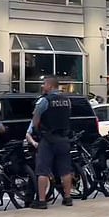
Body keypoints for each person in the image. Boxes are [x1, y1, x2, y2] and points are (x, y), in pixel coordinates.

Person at [31, 75, 73, 209]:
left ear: (50, 85)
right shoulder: (67, 100)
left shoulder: (44, 101)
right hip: (64, 138)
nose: (43, 86)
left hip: (48, 138)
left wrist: (38, 131)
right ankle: (67, 198)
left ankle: (42, 201)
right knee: (65, 170)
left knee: (42, 170)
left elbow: (35, 120)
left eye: (44, 84)